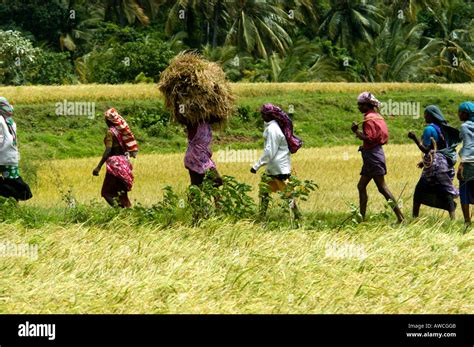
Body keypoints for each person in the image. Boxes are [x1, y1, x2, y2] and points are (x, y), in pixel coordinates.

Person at [351, 92, 404, 223]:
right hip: (374, 154)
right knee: (361, 186)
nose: (358, 107)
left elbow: (369, 137)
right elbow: (376, 138)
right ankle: (361, 217)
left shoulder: (368, 119)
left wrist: (356, 131)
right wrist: (364, 147)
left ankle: (400, 217)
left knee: (382, 187)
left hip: (373, 157)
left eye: (360, 104)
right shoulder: (377, 117)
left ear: (366, 105)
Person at [408, 105, 460, 220]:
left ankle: (414, 218)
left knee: (419, 190)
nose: (424, 116)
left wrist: (415, 138)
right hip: (444, 164)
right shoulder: (443, 129)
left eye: (426, 114)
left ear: (431, 116)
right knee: (445, 191)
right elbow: (438, 149)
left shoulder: (429, 129)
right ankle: (453, 219)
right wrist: (424, 161)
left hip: (435, 166)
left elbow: (426, 149)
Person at [251, 103, 303, 218]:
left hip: (278, 169)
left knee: (288, 195)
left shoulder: (272, 129)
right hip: (274, 168)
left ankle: (298, 216)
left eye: (262, 114)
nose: (261, 116)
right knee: (264, 191)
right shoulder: (273, 126)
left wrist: (256, 166)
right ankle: (262, 215)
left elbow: (270, 151)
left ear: (269, 115)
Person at [93, 108, 138, 208]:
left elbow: (108, 150)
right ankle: (129, 215)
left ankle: (120, 212)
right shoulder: (121, 132)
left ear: (108, 121)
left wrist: (98, 167)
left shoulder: (110, 133)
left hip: (115, 166)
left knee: (106, 193)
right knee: (122, 195)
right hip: (125, 165)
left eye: (105, 119)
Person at [0, 97, 32, 202]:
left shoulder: (0, 120)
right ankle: (14, 203)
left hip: (2, 156)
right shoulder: (11, 122)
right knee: (12, 182)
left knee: (7, 185)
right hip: (11, 158)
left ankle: (6, 201)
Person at [185, 119, 223, 188]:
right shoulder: (193, 123)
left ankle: (214, 196)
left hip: (204, 157)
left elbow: (217, 118)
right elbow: (183, 115)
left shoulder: (207, 123)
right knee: (198, 185)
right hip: (195, 157)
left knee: (215, 182)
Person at [457, 101, 474, 227]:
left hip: (469, 163)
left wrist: (462, 164)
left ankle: (467, 221)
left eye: (460, 112)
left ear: (465, 114)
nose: (458, 114)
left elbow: (468, 145)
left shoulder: (464, 126)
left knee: (464, 190)